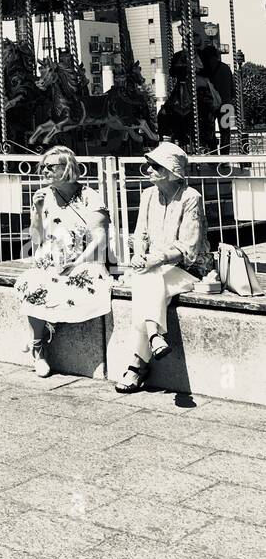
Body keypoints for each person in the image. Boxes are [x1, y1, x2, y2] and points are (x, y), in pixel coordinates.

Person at [114, 141, 212, 394]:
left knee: (147, 279)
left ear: (170, 171)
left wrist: (154, 260)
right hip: (154, 269)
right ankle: (154, 337)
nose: (147, 170)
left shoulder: (191, 198)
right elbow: (140, 235)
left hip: (189, 270)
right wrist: (138, 256)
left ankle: (136, 365)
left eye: (153, 166)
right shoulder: (147, 195)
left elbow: (189, 247)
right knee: (149, 278)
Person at [14, 146, 112, 378]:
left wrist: (77, 262)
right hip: (52, 259)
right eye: (43, 167)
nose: (45, 171)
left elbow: (100, 238)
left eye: (51, 166)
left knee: (65, 284)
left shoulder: (89, 195)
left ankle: (38, 336)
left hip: (86, 259)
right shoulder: (43, 196)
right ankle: (39, 350)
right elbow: (36, 238)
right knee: (34, 281)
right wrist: (37, 212)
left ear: (67, 168)